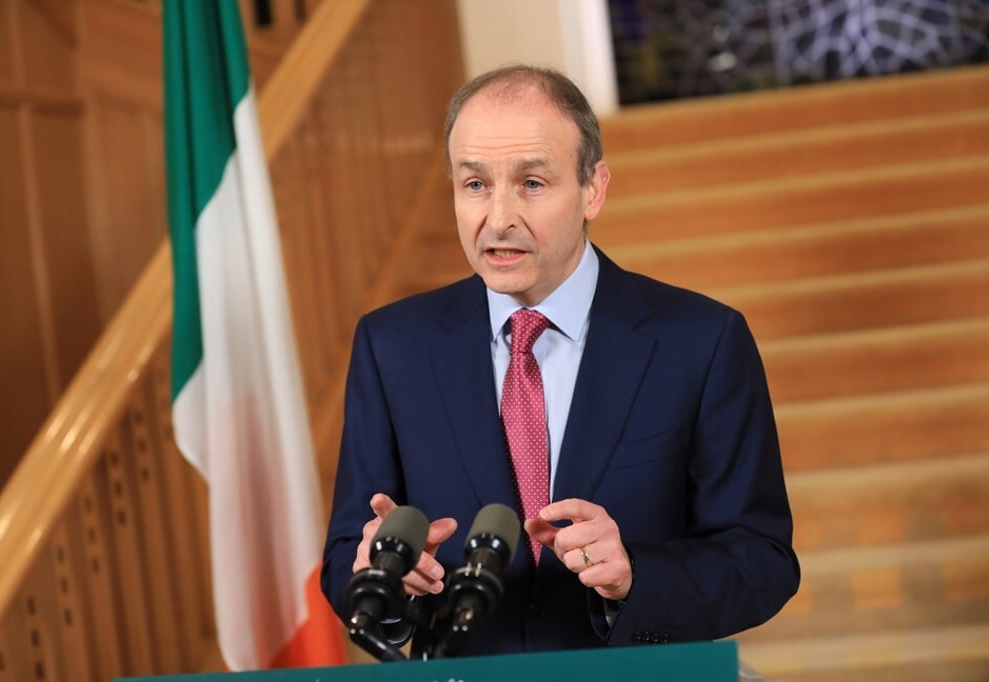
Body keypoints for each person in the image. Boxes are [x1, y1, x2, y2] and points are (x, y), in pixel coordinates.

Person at [321, 64, 799, 658]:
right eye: (474, 185)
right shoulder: (391, 346)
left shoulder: (702, 341)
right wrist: (384, 580)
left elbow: (762, 559)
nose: (497, 219)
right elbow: (346, 555)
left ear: (593, 189)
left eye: (531, 183)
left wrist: (634, 577)